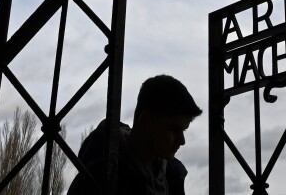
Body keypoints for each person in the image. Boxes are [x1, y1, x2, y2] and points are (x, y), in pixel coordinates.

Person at [67, 75, 202, 195]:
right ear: (146, 121)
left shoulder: (172, 175)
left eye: (183, 131)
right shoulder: (98, 177)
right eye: (173, 129)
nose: (182, 141)